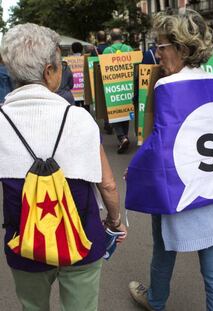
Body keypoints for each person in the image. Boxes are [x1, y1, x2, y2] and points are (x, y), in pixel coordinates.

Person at [0, 23, 127, 311]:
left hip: (25, 242)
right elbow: (107, 184)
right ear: (49, 72)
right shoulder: (79, 119)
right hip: (81, 240)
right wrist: (114, 222)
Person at [128, 10, 213, 311]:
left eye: (161, 46)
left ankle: (155, 301)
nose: (157, 54)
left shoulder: (167, 86)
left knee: (163, 250)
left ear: (181, 47)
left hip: (180, 190)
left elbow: (161, 142)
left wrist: (136, 170)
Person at [103, 28, 134, 154]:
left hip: (112, 87)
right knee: (126, 111)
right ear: (122, 37)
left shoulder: (106, 51)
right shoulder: (129, 49)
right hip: (128, 86)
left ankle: (122, 137)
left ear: (110, 38)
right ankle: (124, 136)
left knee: (115, 112)